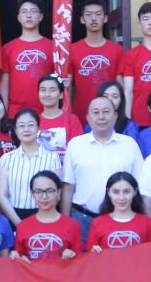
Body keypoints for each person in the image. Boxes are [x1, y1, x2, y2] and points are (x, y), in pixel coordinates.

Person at [60, 96, 144, 241]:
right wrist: (66, 223)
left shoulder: (130, 144)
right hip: (83, 220)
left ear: (115, 116)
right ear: (88, 118)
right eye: (96, 112)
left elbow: (141, 186)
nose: (101, 117)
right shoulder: (76, 145)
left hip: (121, 219)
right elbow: (68, 188)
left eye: (106, 112)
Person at [0, 109, 61, 224]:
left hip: (44, 216)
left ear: (38, 128)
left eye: (31, 125)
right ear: (15, 130)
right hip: (13, 217)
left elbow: (56, 194)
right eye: (21, 126)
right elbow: (2, 196)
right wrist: (19, 224)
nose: (26, 129)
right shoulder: (6, 159)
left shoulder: (52, 158)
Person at [67, 0, 124, 118]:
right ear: (82, 19)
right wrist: (68, 115)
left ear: (105, 18)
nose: (93, 18)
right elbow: (68, 87)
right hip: (80, 115)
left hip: (109, 115)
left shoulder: (117, 50)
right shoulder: (72, 50)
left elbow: (120, 85)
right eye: (89, 15)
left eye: (98, 14)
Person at [0, 0, 53, 116]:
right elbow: (4, 86)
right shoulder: (7, 48)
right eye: (24, 12)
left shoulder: (53, 47)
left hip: (47, 112)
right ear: (18, 17)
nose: (28, 15)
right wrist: (4, 115)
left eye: (33, 11)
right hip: (16, 113)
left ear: (41, 17)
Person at [12, 170, 83, 261]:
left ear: (59, 192)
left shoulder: (72, 225)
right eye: (38, 191)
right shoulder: (22, 226)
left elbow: (79, 262)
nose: (44, 197)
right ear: (32, 194)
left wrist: (72, 255)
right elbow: (19, 260)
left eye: (50, 191)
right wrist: (16, 256)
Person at [121, 1, 151, 128]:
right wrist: (127, 120)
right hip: (140, 120)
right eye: (146, 19)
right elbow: (128, 91)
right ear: (139, 24)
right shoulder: (131, 55)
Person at [88, 172, 151, 251]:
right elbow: (91, 255)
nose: (121, 198)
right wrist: (93, 253)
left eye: (126, 191)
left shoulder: (147, 222)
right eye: (116, 192)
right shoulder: (97, 223)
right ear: (108, 192)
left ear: (135, 191)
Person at [37, 74, 83, 162]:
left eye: (52, 90)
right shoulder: (34, 121)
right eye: (43, 90)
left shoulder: (72, 120)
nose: (47, 94)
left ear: (61, 94)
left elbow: (78, 151)